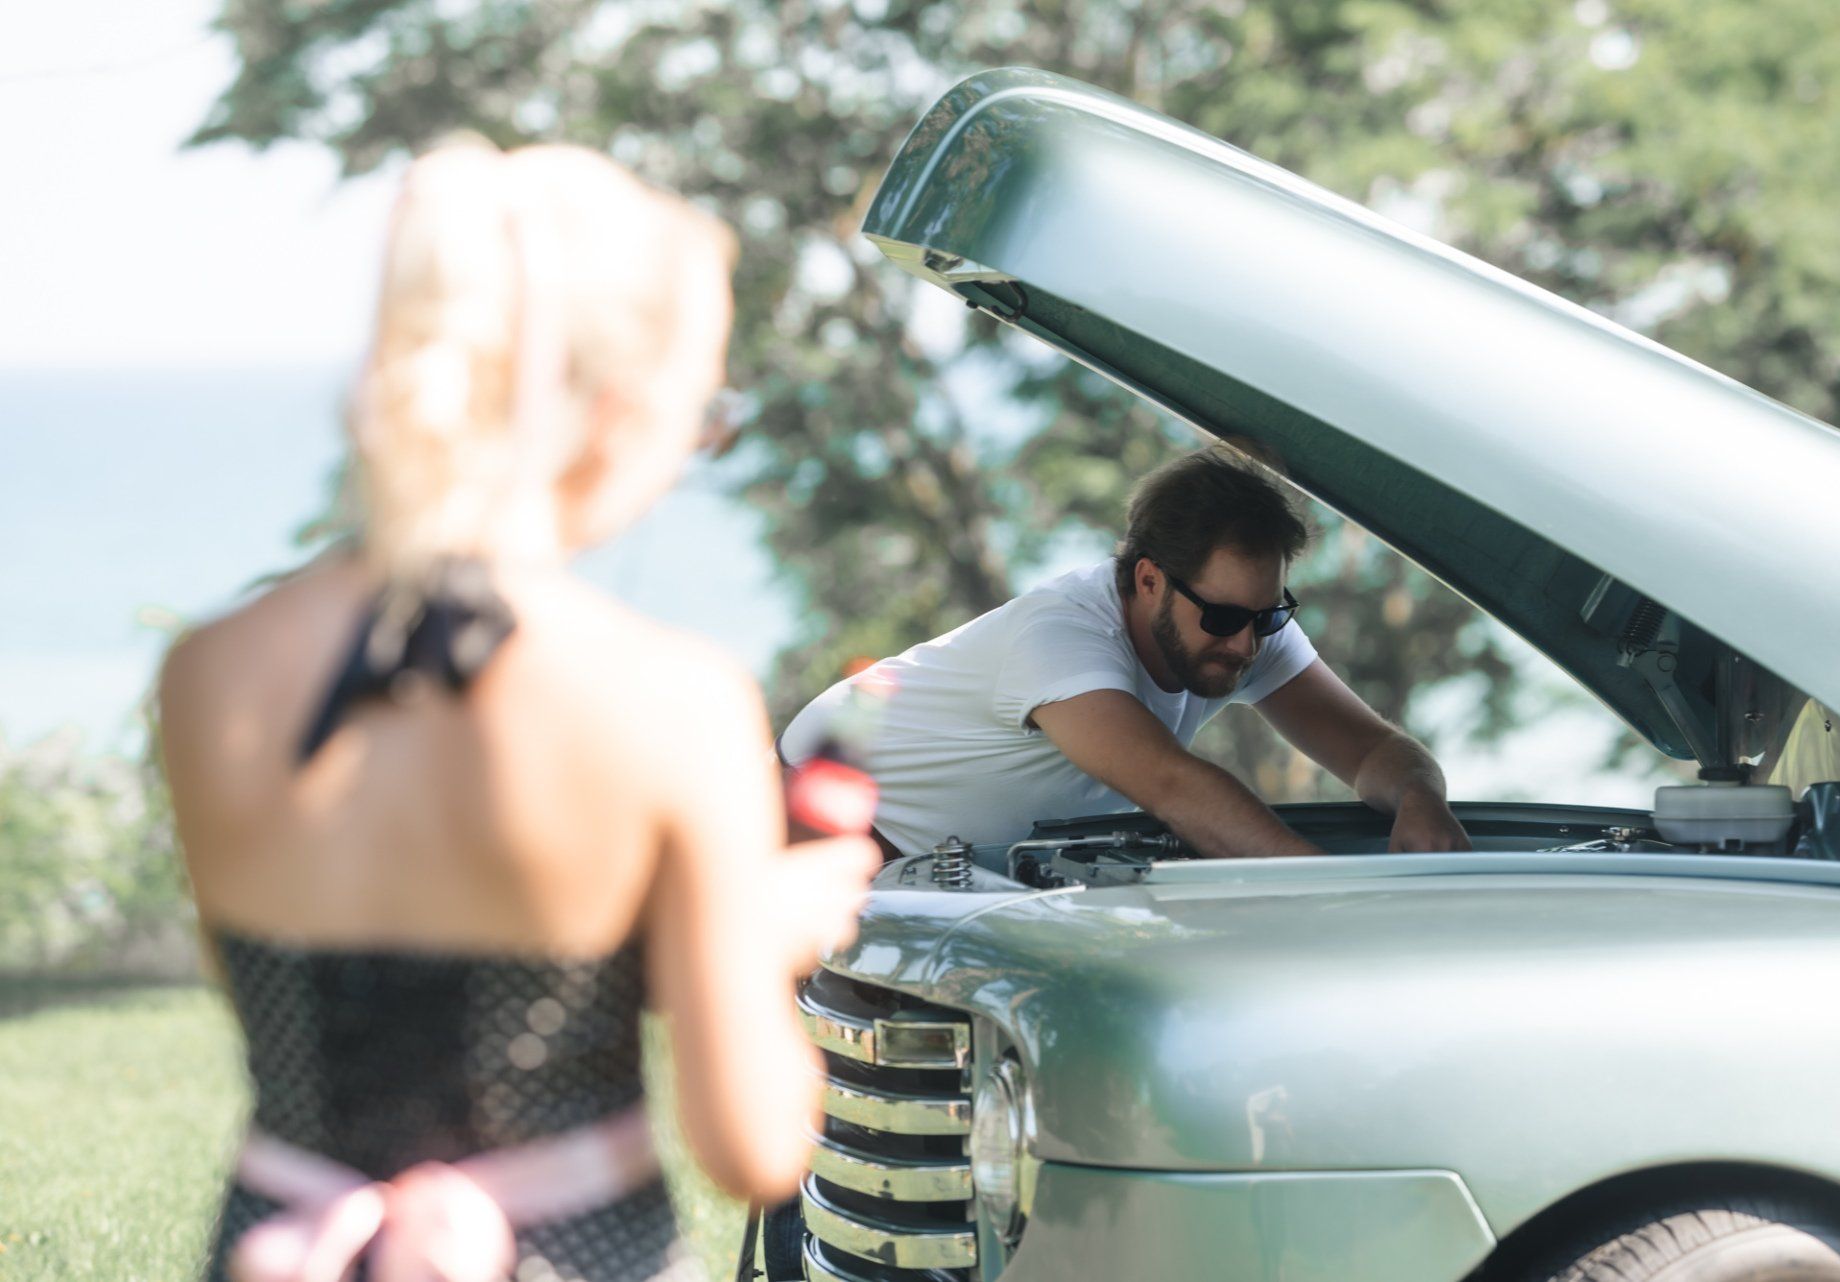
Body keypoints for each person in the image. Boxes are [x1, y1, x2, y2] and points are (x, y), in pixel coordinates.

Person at [159, 138, 875, 1282]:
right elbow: (752, 1144)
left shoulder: (209, 672)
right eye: (705, 412)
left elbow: (282, 975)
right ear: (615, 412)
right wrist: (748, 939)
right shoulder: (671, 701)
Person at [780, 446, 1470, 860]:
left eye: (1268, 616)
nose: (1246, 643)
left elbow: (1375, 751)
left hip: (954, 861)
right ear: (1147, 580)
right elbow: (1173, 787)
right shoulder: (1063, 637)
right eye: (1226, 617)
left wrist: (1420, 798)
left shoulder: (1245, 624)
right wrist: (1339, 892)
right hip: (820, 812)